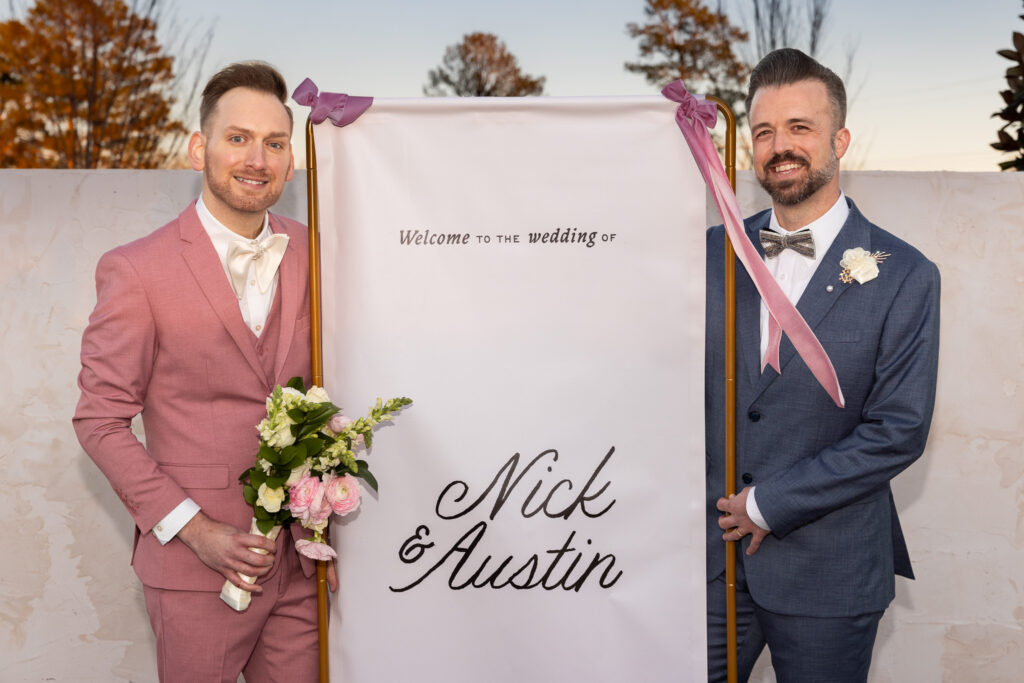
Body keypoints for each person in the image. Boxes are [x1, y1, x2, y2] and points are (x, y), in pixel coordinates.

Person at [74, 61, 331, 682]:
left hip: (300, 571)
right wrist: (195, 530)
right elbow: (100, 421)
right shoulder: (136, 270)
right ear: (199, 148)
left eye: (275, 143)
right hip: (195, 575)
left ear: (290, 162)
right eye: (237, 138)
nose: (257, 158)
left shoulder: (321, 251)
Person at [705, 48, 940, 682]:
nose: (779, 146)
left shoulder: (907, 275)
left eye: (799, 128)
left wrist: (768, 504)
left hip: (829, 575)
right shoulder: (707, 254)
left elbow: (898, 430)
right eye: (763, 131)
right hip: (705, 572)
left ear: (839, 139)